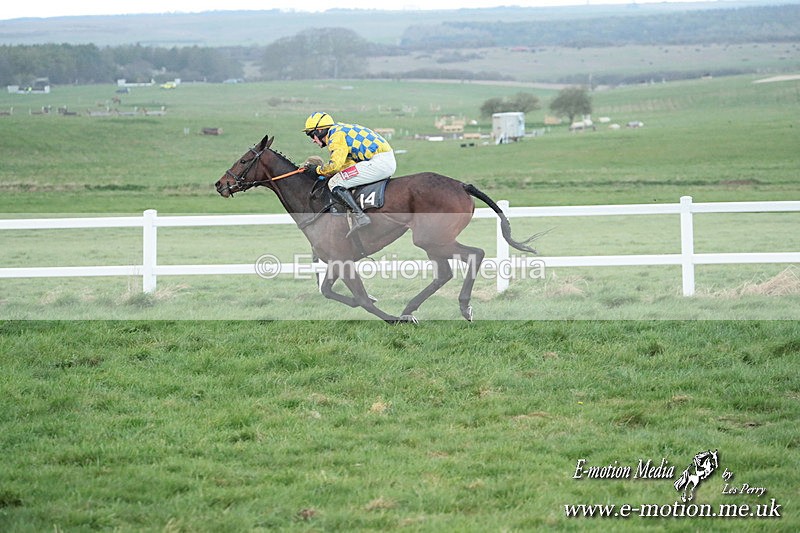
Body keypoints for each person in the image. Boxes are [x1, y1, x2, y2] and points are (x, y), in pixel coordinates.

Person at [302, 112, 396, 236]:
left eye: (311, 135)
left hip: (379, 162)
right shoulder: (339, 130)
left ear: (320, 131)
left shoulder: (336, 136)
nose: (313, 140)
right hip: (382, 160)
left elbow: (334, 166)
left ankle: (360, 216)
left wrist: (317, 170)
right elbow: (346, 165)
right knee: (339, 178)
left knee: (335, 183)